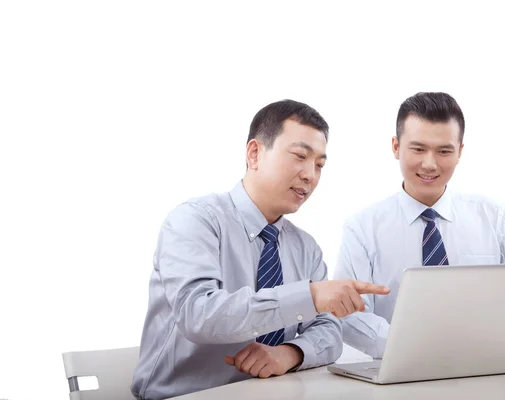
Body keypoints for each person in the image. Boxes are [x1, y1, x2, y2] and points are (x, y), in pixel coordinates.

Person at [131, 99, 390, 400]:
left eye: (319, 164)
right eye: (300, 156)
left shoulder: (306, 247)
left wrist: (291, 353)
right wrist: (310, 296)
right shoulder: (195, 220)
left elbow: (330, 331)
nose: (310, 175)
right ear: (254, 153)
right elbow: (198, 315)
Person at [334, 91, 505, 359]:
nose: (429, 163)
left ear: (460, 151)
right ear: (395, 147)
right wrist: (416, 348)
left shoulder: (495, 219)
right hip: (399, 375)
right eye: (418, 148)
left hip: (488, 372)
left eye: (444, 151)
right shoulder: (362, 228)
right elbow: (348, 314)